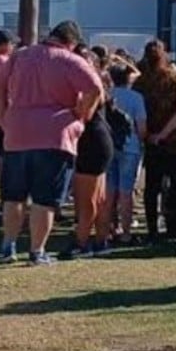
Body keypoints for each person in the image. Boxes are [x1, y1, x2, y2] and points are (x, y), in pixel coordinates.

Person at [0, 21, 103, 265]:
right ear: (71, 42)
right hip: (55, 134)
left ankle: (7, 247)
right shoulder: (70, 60)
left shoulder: (20, 55)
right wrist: (81, 114)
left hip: (18, 132)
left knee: (14, 196)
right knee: (45, 199)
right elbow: (95, 88)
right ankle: (36, 251)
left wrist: (3, 118)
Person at [132, 39, 176, 243]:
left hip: (151, 141)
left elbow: (137, 113)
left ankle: (152, 229)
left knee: (152, 187)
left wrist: (152, 135)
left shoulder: (140, 82)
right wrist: (165, 134)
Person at [60, 43, 115, 259]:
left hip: (92, 142)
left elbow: (84, 114)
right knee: (99, 198)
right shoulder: (99, 83)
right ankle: (101, 240)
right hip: (100, 140)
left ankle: (81, 243)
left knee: (86, 199)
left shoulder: (90, 88)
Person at [106, 63, 147, 244]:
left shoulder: (107, 96)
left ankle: (107, 228)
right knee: (126, 191)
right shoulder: (136, 97)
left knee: (109, 190)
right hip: (130, 146)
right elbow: (142, 126)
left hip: (108, 145)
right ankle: (126, 231)